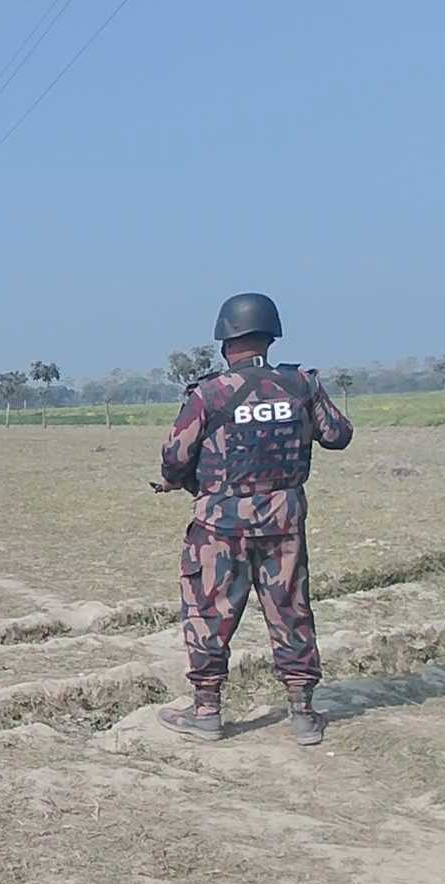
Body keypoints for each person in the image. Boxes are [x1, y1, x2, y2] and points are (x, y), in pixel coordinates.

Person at [156, 293, 353, 745]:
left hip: (219, 527)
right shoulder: (301, 385)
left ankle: (206, 711)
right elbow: (338, 435)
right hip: (284, 523)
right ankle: (303, 714)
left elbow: (175, 456)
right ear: (271, 337)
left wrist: (175, 481)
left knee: (208, 613)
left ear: (225, 342)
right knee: (291, 611)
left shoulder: (209, 394)